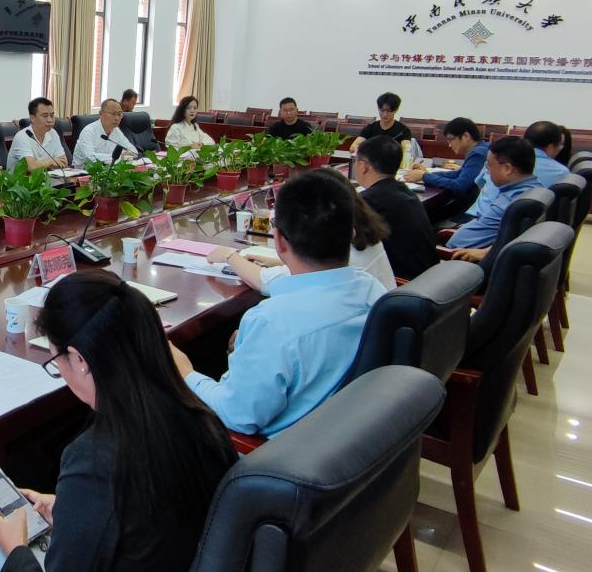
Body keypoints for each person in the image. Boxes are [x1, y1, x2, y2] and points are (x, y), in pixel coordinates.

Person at [0, 270, 238, 572]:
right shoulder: (202, 421)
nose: (60, 371)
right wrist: (72, 510)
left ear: (80, 359)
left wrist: (16, 548)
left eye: (56, 361)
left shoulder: (97, 460)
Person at [170, 170, 385, 436]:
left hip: (272, 452)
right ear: (351, 234)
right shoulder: (373, 290)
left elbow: (237, 417)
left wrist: (185, 372)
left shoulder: (273, 321)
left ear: (280, 241)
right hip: (341, 436)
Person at [209, 171, 396, 295]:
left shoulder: (342, 255)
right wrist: (276, 261)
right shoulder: (364, 237)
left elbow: (266, 282)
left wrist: (229, 256)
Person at [355, 136, 438, 281]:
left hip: (406, 284)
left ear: (363, 166)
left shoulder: (368, 202)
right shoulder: (407, 193)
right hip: (430, 278)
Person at [447, 136, 544, 257]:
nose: (487, 171)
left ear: (507, 168)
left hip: (458, 259)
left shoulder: (514, 202)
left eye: (489, 165)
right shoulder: (535, 189)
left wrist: (486, 252)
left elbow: (509, 244)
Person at [404, 117, 490, 223]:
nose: (449, 145)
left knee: (418, 216)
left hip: (469, 214)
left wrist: (424, 176)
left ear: (466, 136)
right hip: (467, 206)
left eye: (451, 139)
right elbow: (458, 174)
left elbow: (460, 186)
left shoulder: (478, 153)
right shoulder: (480, 148)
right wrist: (427, 173)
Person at [72, 99, 138, 168]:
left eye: (119, 114)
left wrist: (121, 156)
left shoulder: (116, 131)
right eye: (113, 113)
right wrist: (117, 157)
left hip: (109, 169)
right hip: (84, 171)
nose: (117, 118)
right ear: (101, 113)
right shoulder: (88, 131)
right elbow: (89, 158)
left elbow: (134, 152)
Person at [10, 98, 69, 171]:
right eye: (45, 116)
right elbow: (31, 167)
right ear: (32, 118)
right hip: (21, 178)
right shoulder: (22, 137)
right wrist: (51, 161)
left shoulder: (53, 133)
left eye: (52, 115)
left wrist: (41, 164)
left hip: (47, 177)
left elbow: (64, 162)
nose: (50, 120)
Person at [524, 121, 572, 187]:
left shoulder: (511, 166)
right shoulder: (562, 172)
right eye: (559, 144)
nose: (561, 148)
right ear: (550, 146)